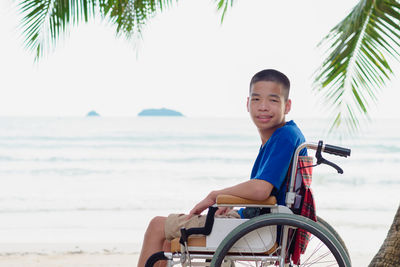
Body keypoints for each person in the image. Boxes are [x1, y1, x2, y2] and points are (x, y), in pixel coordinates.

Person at [137, 69, 307, 267]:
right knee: (168, 240)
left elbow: (262, 189)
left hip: (259, 230)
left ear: (287, 106)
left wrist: (215, 195)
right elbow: (265, 190)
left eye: (273, 100)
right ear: (247, 104)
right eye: (256, 99)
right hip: (259, 223)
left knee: (157, 226)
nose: (263, 107)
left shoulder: (284, 137)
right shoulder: (285, 136)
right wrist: (233, 201)